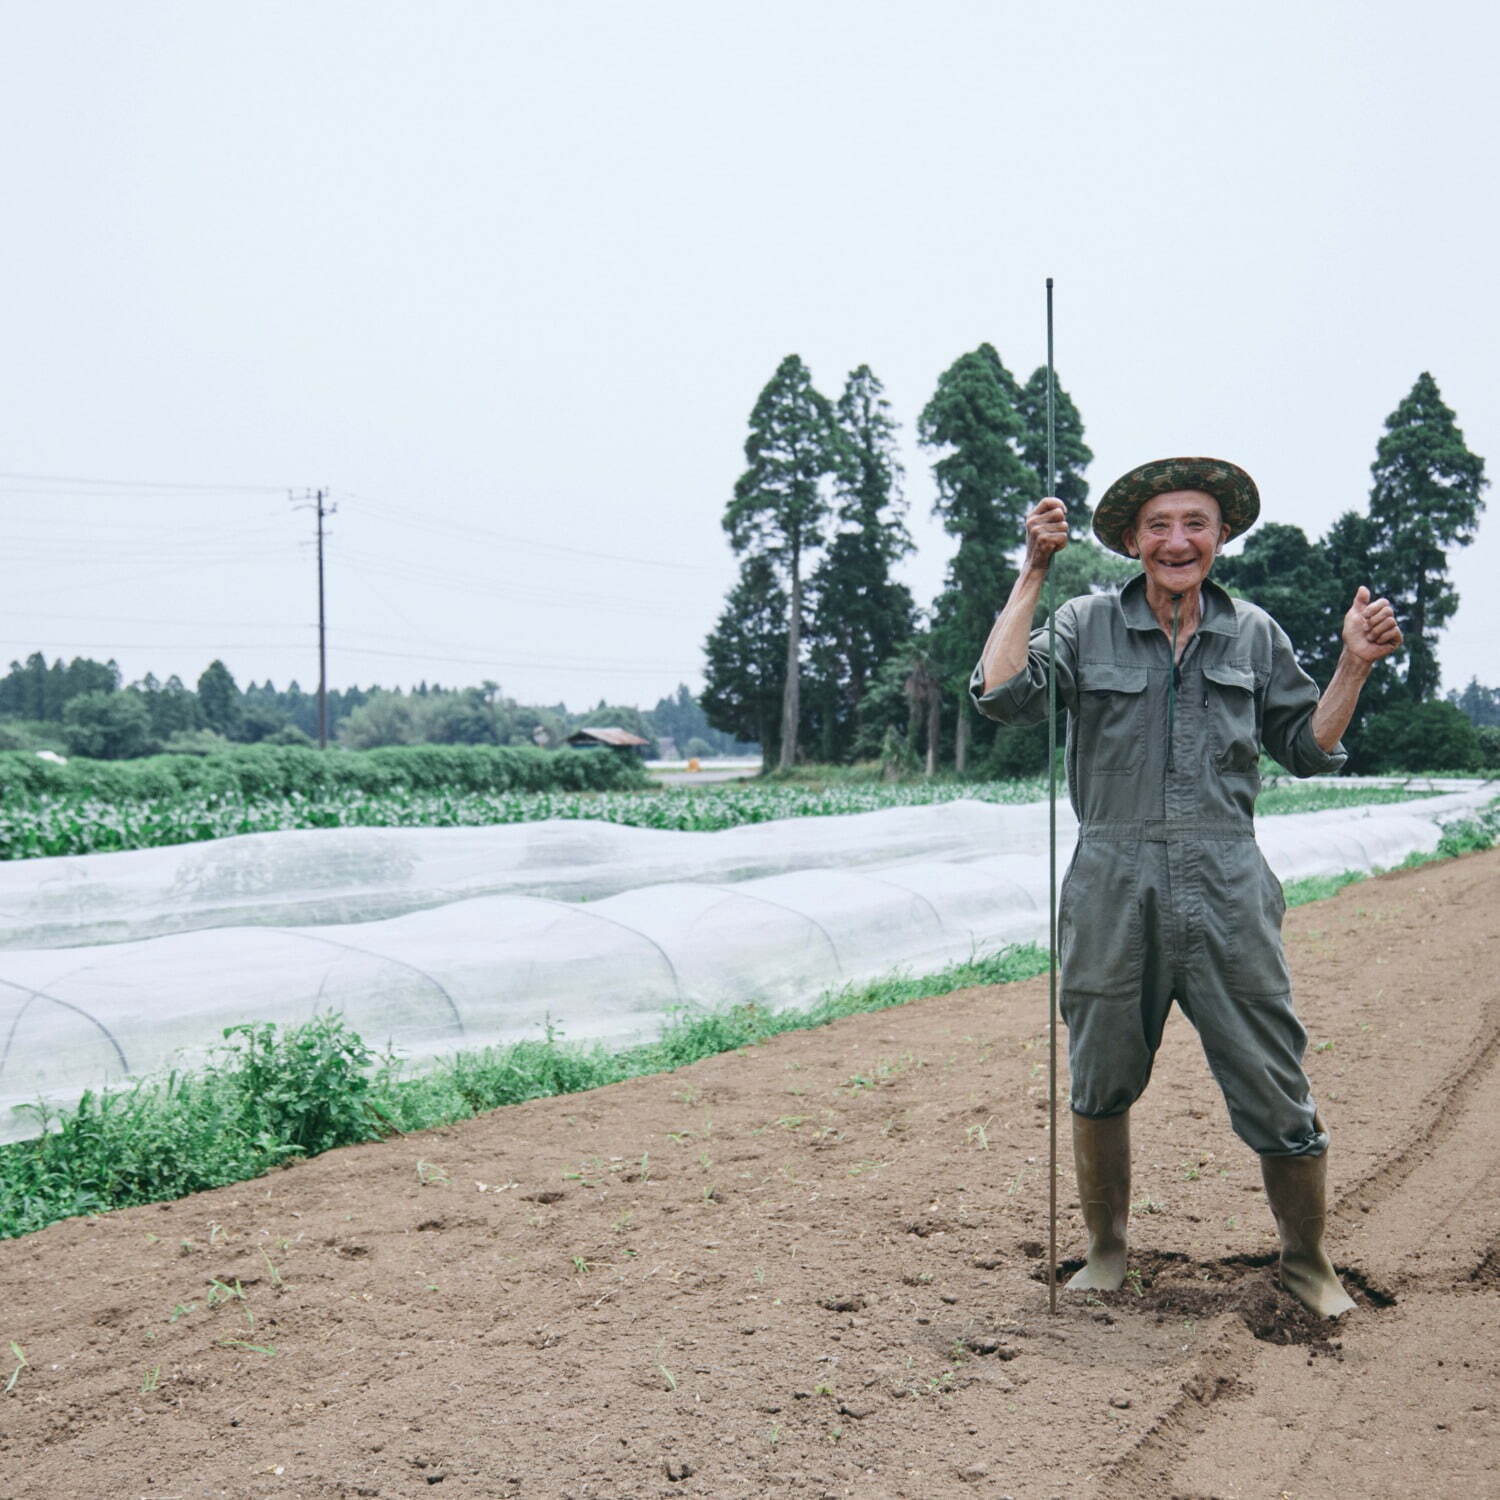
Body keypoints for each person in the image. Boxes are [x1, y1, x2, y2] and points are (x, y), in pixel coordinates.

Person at [970, 457, 1402, 1319]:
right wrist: (1034, 570)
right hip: (1110, 879)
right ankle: (1104, 1252)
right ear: (1132, 540)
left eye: (1196, 523)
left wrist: (1352, 665)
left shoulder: (1254, 636)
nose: (1177, 540)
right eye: (1159, 526)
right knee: (1098, 1068)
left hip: (1228, 877)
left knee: (1272, 1068)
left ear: (1220, 536)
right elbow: (1004, 693)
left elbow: (1307, 749)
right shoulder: (1086, 622)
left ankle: (1309, 1263)